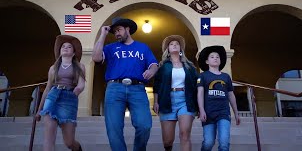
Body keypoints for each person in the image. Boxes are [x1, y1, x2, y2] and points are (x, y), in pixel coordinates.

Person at [92, 17, 158, 151]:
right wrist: (103, 34)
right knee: (114, 128)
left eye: (119, 30)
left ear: (128, 29)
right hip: (114, 88)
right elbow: (96, 58)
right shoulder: (110, 48)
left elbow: (154, 64)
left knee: (144, 125)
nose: (116, 33)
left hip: (137, 89)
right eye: (114, 31)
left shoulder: (142, 47)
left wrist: (151, 71)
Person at [36, 35, 85, 151]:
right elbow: (47, 88)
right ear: (59, 51)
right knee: (49, 137)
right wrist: (39, 110)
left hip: (69, 98)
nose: (65, 48)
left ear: (73, 53)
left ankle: (77, 148)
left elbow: (82, 83)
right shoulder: (53, 68)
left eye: (69, 47)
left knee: (69, 142)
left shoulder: (79, 66)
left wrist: (78, 89)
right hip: (53, 96)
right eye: (63, 46)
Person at [153, 35, 198, 151]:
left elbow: (197, 84)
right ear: (168, 49)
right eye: (172, 44)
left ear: (181, 49)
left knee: (184, 134)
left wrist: (199, 105)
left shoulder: (189, 66)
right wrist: (156, 102)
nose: (174, 45)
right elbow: (157, 85)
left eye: (177, 44)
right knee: (168, 140)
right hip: (167, 101)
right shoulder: (163, 66)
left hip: (186, 101)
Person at [197, 45, 240, 151]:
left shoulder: (226, 77)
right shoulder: (202, 76)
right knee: (208, 142)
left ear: (220, 61)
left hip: (224, 113)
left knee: (224, 143)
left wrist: (236, 113)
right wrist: (201, 110)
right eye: (212, 57)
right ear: (207, 61)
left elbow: (231, 95)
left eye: (217, 57)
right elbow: (200, 93)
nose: (215, 58)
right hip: (208, 113)